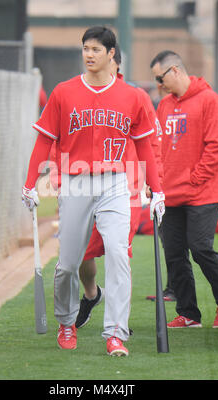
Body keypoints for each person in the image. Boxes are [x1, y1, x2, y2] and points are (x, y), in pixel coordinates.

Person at [22, 26, 165, 357]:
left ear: (111, 54)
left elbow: (145, 148)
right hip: (76, 182)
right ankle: (67, 321)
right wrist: (30, 184)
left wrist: (156, 191)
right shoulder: (63, 92)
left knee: (118, 254)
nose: (89, 54)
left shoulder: (134, 97)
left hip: (115, 182)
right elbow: (44, 140)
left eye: (96, 49)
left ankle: (115, 332)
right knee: (68, 264)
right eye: (85, 48)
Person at [74, 43, 165, 329]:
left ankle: (117, 323)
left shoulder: (136, 97)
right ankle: (91, 294)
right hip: (85, 188)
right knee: (79, 254)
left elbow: (152, 144)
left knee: (118, 254)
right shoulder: (84, 94)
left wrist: (154, 183)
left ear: (114, 62)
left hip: (126, 190)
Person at [150, 50, 218, 329]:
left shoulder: (209, 100)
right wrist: (157, 182)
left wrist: (195, 179)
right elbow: (157, 148)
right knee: (174, 254)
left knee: (200, 249)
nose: (159, 86)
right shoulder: (163, 106)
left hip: (202, 193)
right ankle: (188, 313)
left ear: (175, 70)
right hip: (170, 194)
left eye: (160, 79)